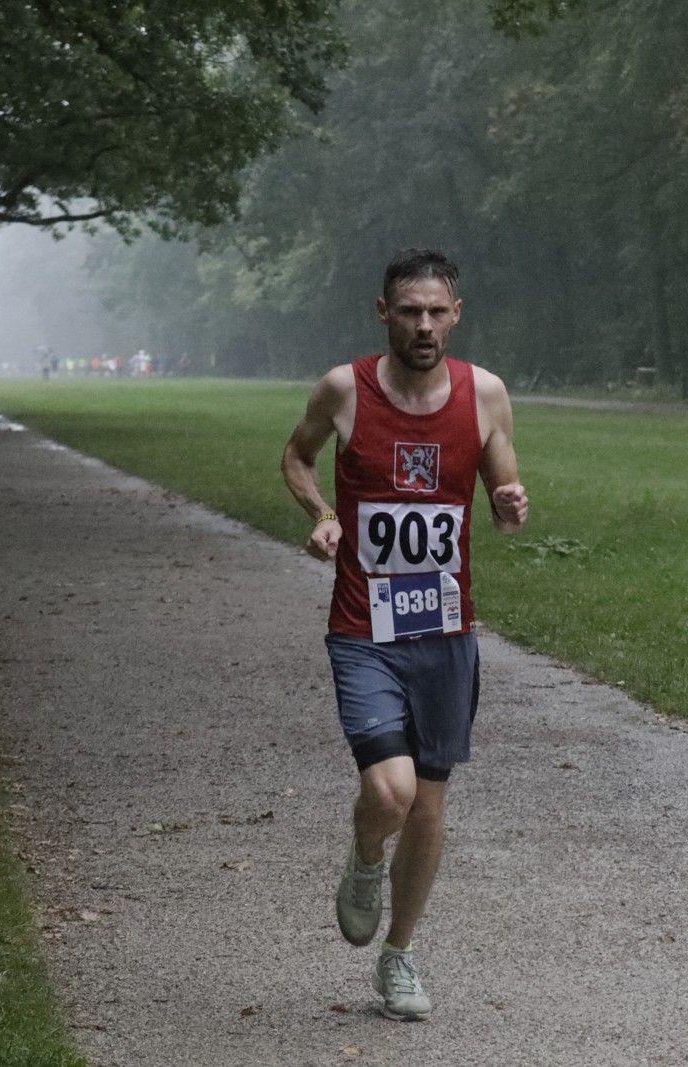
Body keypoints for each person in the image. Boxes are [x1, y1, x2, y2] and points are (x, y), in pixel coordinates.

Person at [280, 249, 529, 1022]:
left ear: (456, 315)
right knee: (389, 792)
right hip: (364, 627)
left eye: (437, 311)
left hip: (445, 632)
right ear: (383, 312)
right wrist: (323, 514)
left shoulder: (485, 393)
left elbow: (504, 489)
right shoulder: (343, 389)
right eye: (410, 311)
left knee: (427, 803)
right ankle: (365, 856)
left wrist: (509, 503)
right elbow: (297, 457)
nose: (424, 325)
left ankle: (399, 954)